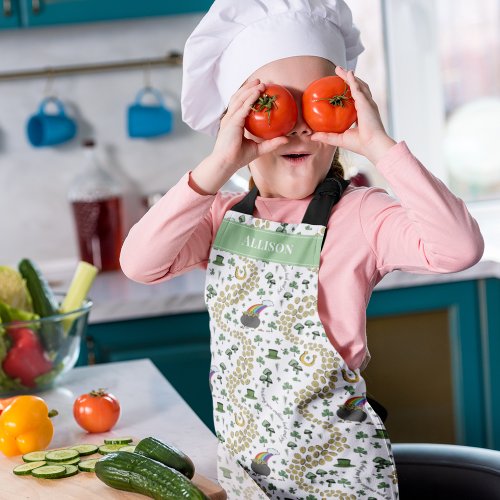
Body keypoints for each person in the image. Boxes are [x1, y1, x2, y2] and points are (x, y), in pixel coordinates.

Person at [120, 1, 484, 498]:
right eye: (272, 106)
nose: (297, 128)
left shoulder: (360, 215)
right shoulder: (218, 216)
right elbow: (138, 263)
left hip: (341, 480)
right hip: (246, 475)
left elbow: (458, 248)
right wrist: (217, 164)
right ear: (238, 122)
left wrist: (379, 145)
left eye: (320, 102)